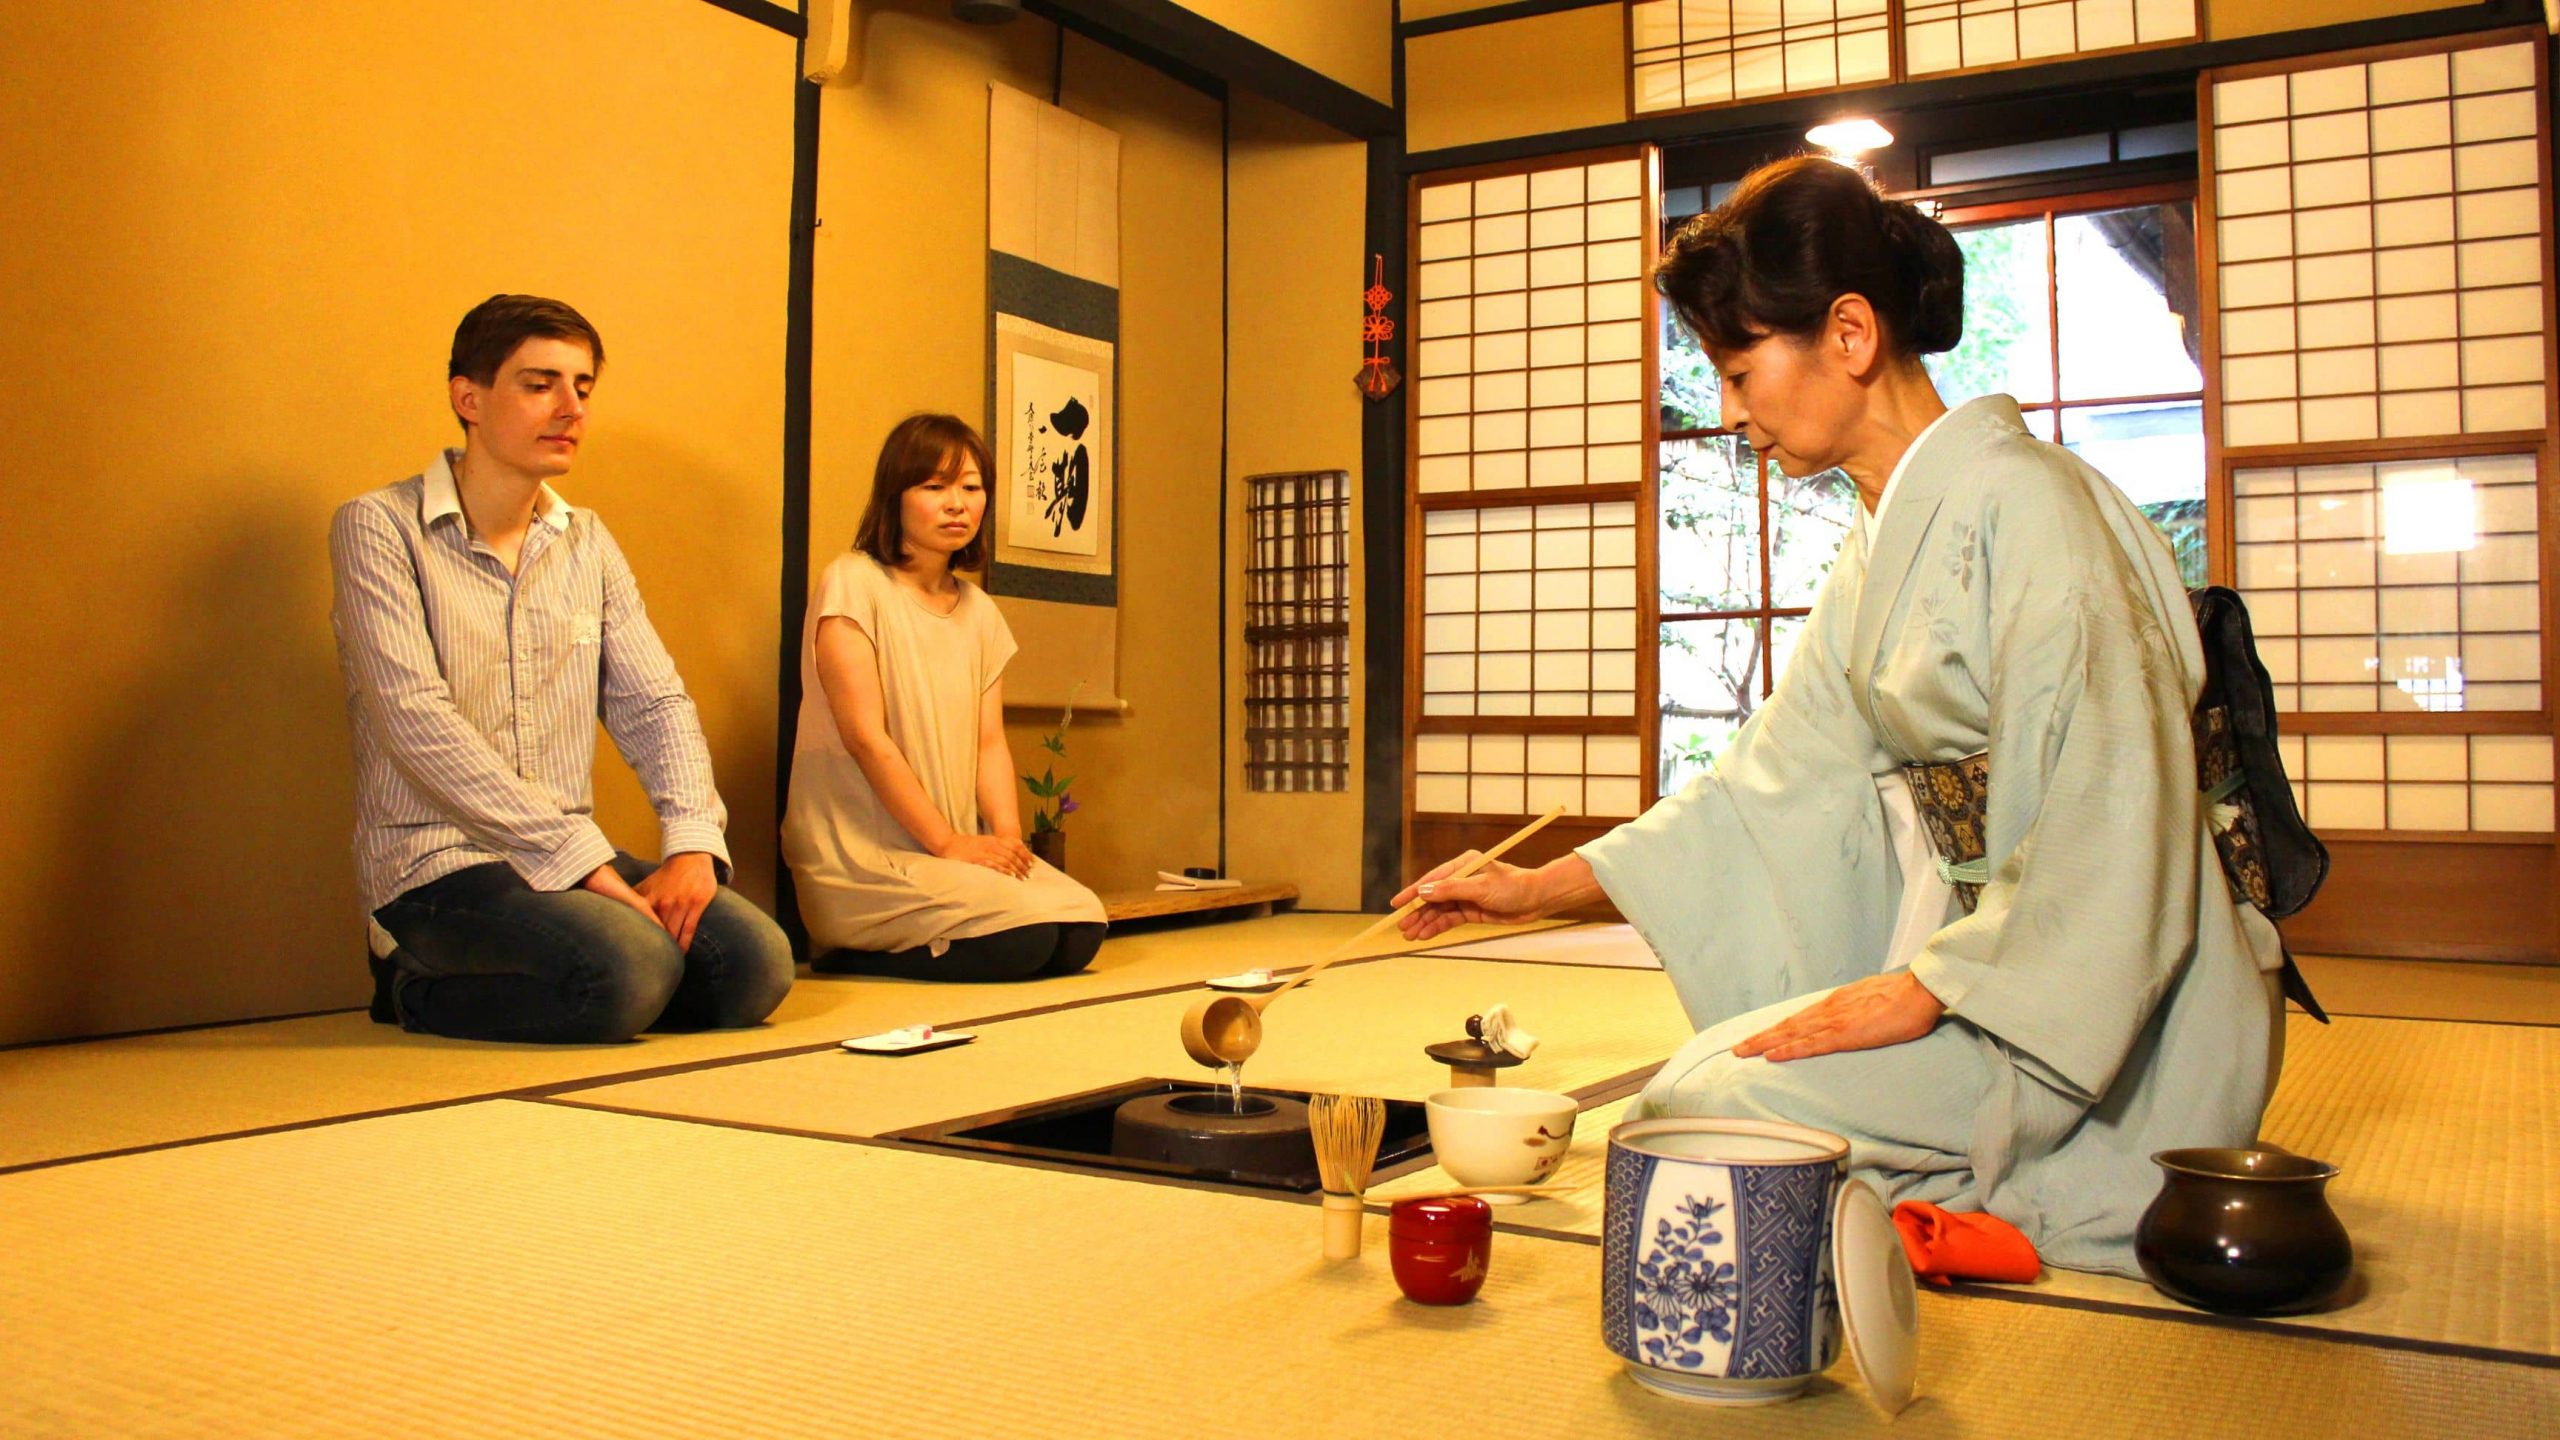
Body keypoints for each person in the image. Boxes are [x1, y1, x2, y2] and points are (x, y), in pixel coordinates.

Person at [1394, 157, 2285, 1277]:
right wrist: (1532, 889)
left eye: (1737, 367)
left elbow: (2115, 815)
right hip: (1989, 965)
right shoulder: (1878, 546)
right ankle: (1929, 1204)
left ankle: (2019, 1199)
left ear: (1850, 335)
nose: (1727, 412)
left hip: (2105, 1002)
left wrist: (1923, 990)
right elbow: (1763, 786)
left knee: (1713, 1112)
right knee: (1698, 1091)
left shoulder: (2033, 509)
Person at [330, 294, 794, 1043]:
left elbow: (656, 705)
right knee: (626, 970)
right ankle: (410, 985)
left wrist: (691, 844)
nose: (570, 407)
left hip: (571, 856)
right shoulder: (378, 528)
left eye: (583, 387)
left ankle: (601, 971)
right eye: (539, 384)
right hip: (436, 867)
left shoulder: (587, 542)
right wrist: (581, 865)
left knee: (753, 964)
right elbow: (415, 724)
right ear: (469, 398)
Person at [782, 413, 1107, 980]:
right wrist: (948, 842)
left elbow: (989, 745)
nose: (956, 503)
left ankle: (943, 918)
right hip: (867, 853)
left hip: (954, 851)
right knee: (1024, 942)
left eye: (971, 487)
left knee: (1081, 927)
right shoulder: (853, 583)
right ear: (895, 497)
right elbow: (866, 738)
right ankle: (852, 947)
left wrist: (1007, 845)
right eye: (934, 486)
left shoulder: (980, 610)